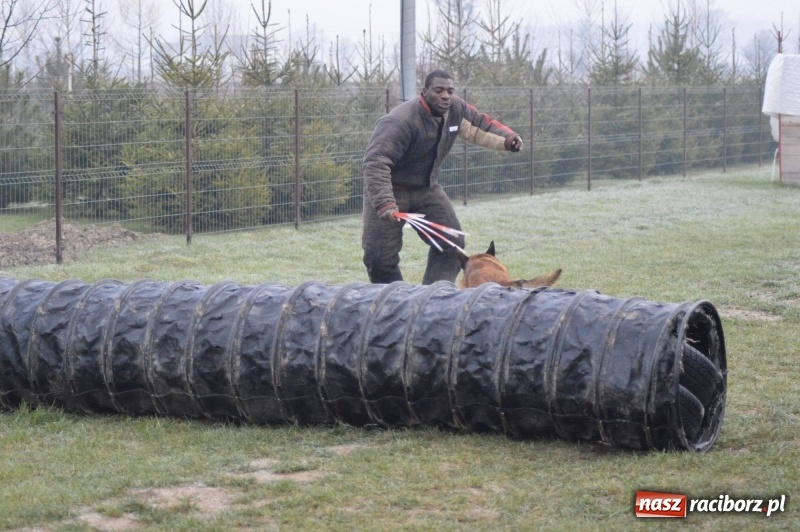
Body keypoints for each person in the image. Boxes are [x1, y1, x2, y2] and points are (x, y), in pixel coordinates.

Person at [361, 70, 523, 285]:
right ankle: (394, 301)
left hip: (426, 189)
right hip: (391, 190)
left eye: (449, 91)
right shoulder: (400, 121)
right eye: (438, 90)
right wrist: (385, 202)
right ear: (425, 92)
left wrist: (508, 139)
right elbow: (376, 162)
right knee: (379, 258)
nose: (445, 95)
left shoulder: (455, 109)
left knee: (452, 242)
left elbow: (479, 125)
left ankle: (434, 296)